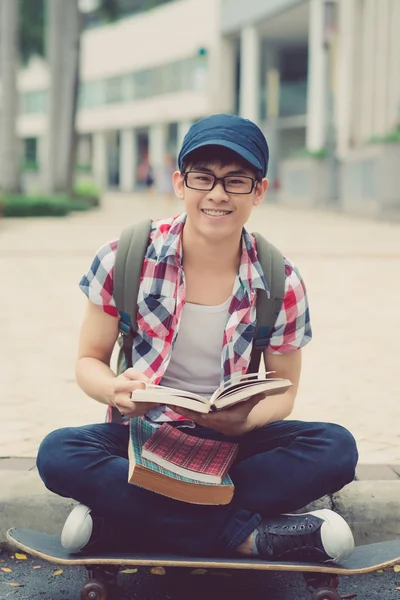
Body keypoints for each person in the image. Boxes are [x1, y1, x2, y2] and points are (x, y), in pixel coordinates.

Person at [36, 114, 358, 563]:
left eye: (236, 181)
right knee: (58, 452)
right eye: (203, 178)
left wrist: (245, 421)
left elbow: (285, 390)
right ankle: (245, 537)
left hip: (230, 447)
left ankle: (124, 522)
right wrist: (115, 390)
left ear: (259, 191)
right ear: (180, 184)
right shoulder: (125, 256)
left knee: (336, 448)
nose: (218, 194)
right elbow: (88, 361)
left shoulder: (280, 279)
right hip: (143, 438)